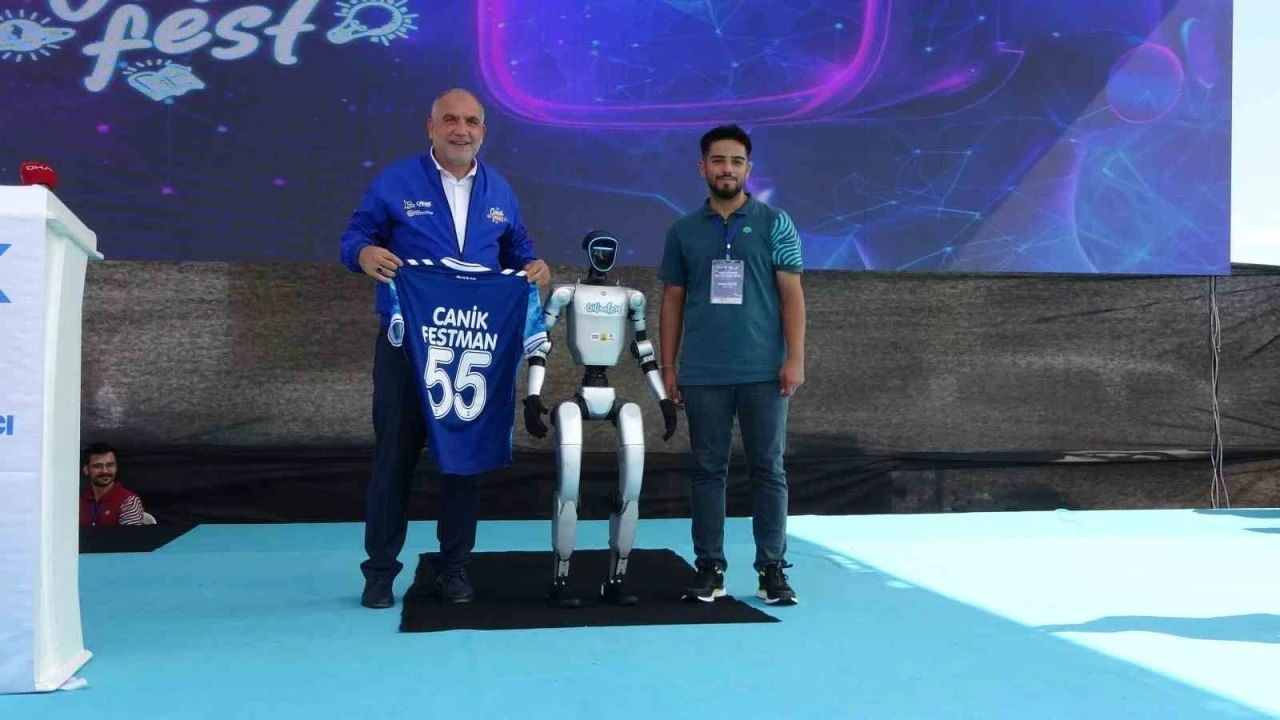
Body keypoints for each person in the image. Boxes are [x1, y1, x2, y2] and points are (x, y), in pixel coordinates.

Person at [339, 88, 551, 610]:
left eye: (472, 121)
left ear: (483, 131)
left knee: (464, 458)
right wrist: (363, 253)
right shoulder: (395, 181)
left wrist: (535, 266)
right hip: (406, 347)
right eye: (451, 120)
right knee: (394, 459)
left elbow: (519, 250)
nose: (462, 130)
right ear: (430, 127)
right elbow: (354, 236)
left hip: (471, 347)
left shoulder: (500, 190)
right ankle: (379, 573)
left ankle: (455, 568)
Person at [658, 124, 806, 606]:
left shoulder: (776, 223)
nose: (727, 169)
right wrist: (668, 368)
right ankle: (710, 568)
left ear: (749, 168)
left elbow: (792, 295)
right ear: (702, 167)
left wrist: (795, 358)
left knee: (769, 470)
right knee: (707, 471)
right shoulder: (682, 231)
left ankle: (772, 570)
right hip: (703, 373)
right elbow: (672, 301)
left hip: (765, 371)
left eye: (737, 161)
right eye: (718, 160)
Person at [79, 442, 147, 526]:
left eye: (110, 465)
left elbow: (130, 534)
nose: (105, 471)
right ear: (86, 470)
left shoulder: (129, 501)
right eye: (98, 466)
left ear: (116, 468)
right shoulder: (77, 500)